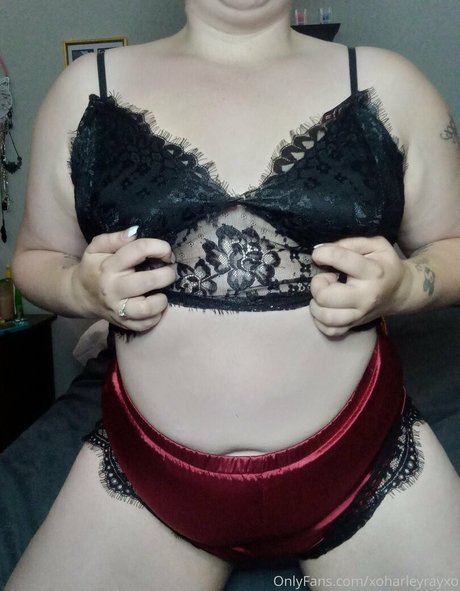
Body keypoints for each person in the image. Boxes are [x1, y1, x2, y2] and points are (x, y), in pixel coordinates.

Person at [6, 1, 460, 589]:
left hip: (364, 463)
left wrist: (404, 286)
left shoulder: (391, 85)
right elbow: (34, 259)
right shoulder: (85, 89)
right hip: (148, 475)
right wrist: (79, 285)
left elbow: (452, 246)